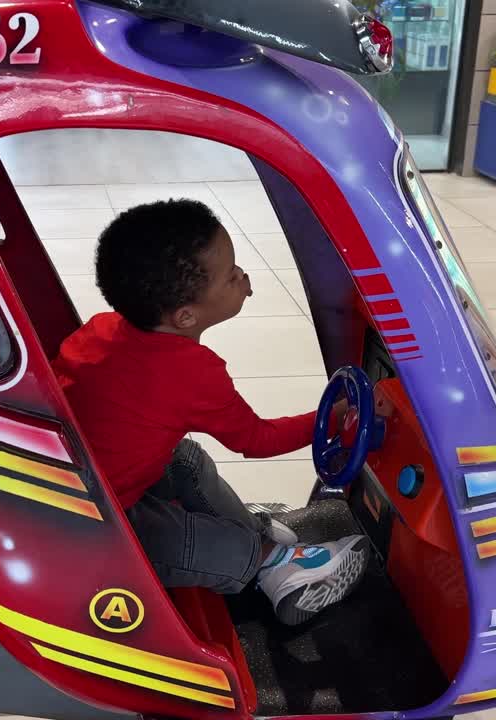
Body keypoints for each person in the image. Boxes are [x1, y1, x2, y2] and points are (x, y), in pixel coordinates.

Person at [52, 199, 367, 625]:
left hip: (77, 481)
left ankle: (253, 536)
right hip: (88, 526)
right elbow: (258, 441)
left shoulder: (101, 327)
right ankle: (274, 566)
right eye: (232, 276)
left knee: (185, 457)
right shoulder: (191, 374)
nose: (245, 279)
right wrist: (332, 419)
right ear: (186, 316)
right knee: (172, 538)